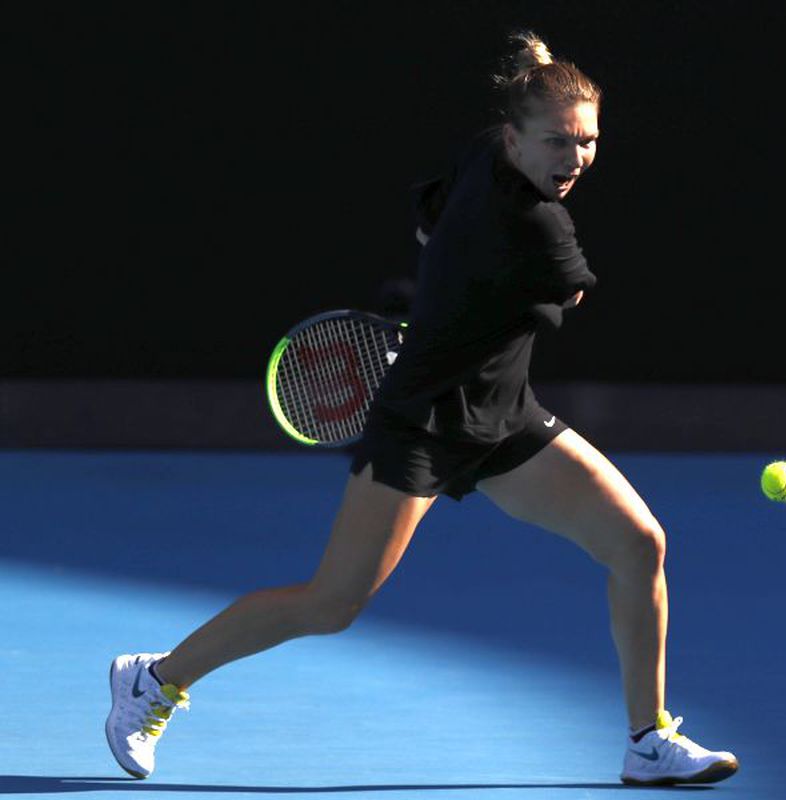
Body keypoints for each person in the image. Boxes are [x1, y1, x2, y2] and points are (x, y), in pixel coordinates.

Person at [105, 31, 738, 787]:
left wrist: (449, 294)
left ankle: (647, 738)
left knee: (640, 544)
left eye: (589, 142)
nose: (574, 160)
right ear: (515, 137)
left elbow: (428, 220)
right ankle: (154, 679)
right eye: (558, 142)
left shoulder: (483, 151)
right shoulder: (543, 227)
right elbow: (567, 290)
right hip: (423, 427)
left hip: (501, 417)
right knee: (331, 603)